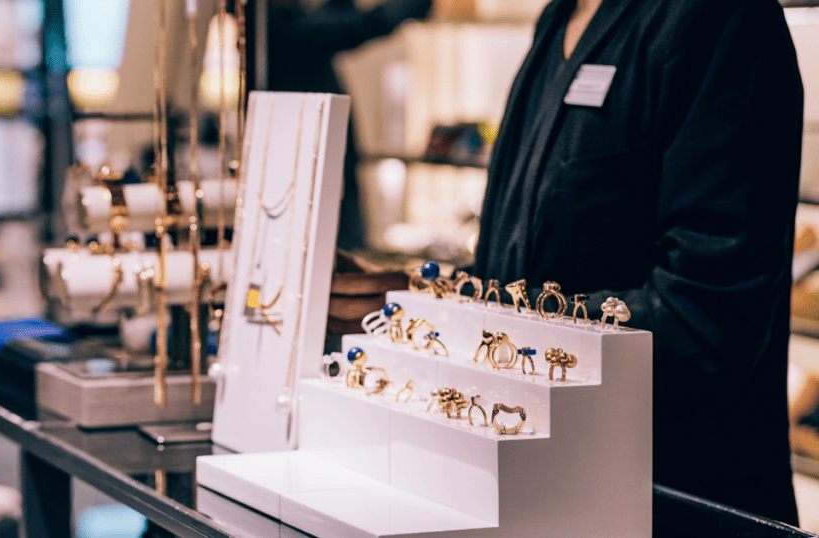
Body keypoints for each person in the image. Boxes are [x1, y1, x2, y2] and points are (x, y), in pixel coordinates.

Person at [473, 0, 804, 524]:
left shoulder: (719, 17)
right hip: (540, 486)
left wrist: (483, 335)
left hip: (671, 496)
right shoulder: (557, 19)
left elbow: (703, 316)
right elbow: (504, 263)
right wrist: (422, 309)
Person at [267, 0, 432, 251]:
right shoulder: (270, 18)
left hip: (324, 152)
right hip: (299, 155)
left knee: (342, 250)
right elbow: (334, 29)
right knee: (328, 252)